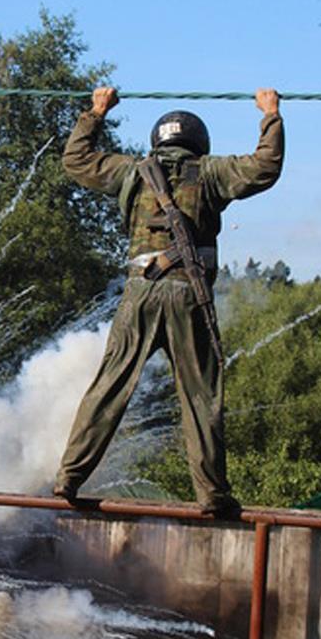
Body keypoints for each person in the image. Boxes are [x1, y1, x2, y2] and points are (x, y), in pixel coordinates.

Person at [52, 85, 284, 517]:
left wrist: (96, 112)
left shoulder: (130, 172)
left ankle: (69, 476)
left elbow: (76, 160)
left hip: (139, 291)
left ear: (157, 142)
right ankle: (212, 495)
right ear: (199, 143)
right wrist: (269, 114)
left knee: (110, 386)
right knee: (200, 395)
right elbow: (265, 166)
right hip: (188, 295)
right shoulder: (212, 172)